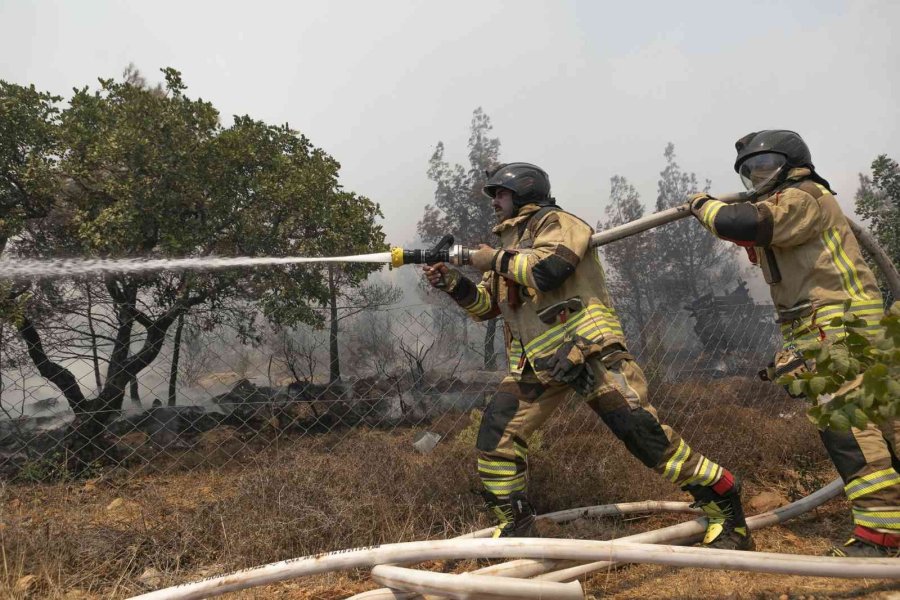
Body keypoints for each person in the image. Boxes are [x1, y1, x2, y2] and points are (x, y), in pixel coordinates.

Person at [422, 162, 753, 550]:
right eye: (494, 195)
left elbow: (548, 270)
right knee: (496, 439)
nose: (494, 202)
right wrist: (451, 281)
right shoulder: (505, 248)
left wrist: (489, 258)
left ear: (525, 192)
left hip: (589, 352)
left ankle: (725, 506)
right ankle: (515, 528)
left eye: (500, 193)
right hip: (538, 362)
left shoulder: (557, 223)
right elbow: (485, 308)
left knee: (645, 439)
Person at [689, 130, 899, 557]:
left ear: (792, 162)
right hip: (847, 323)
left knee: (848, 427)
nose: (755, 177)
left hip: (834, 325)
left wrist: (703, 205)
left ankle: (880, 535)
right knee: (885, 422)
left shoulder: (803, 195)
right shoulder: (799, 202)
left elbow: (745, 223)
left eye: (764, 166)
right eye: (749, 172)